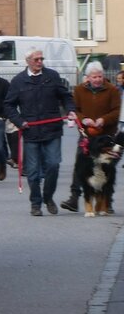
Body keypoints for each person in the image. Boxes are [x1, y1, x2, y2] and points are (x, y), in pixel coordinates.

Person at [4, 49, 76, 216]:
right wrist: (19, 121)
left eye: (41, 59)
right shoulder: (18, 81)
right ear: (28, 60)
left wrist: (70, 110)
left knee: (53, 165)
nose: (39, 61)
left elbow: (66, 96)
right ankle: (35, 203)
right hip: (31, 132)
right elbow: (8, 105)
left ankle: (48, 197)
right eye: (36, 59)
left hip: (52, 130)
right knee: (33, 171)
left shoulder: (52, 76)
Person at [61, 60, 120, 213]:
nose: (97, 79)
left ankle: (107, 201)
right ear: (88, 77)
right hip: (87, 135)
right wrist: (83, 119)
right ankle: (74, 197)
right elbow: (75, 110)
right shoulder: (79, 90)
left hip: (106, 135)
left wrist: (103, 120)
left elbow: (116, 111)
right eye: (94, 77)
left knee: (109, 169)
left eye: (100, 76)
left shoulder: (112, 90)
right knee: (80, 165)